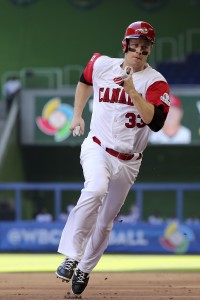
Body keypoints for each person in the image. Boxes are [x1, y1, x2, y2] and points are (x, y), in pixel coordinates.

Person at [55, 21, 170, 297]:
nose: (139, 50)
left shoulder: (156, 82)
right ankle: (72, 255)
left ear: (149, 50)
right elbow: (84, 81)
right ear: (125, 44)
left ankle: (84, 268)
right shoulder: (102, 64)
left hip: (129, 161)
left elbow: (155, 123)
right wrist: (77, 114)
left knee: (106, 220)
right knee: (95, 189)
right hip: (98, 146)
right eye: (135, 44)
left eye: (145, 46)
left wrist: (132, 89)